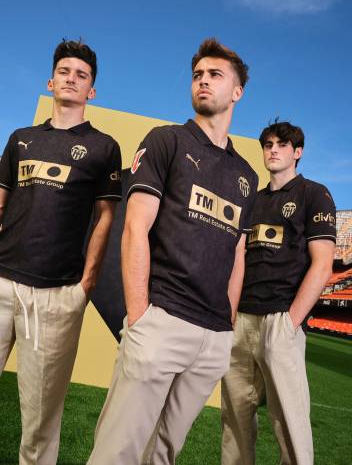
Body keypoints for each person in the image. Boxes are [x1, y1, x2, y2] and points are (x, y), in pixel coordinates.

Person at [87, 38, 258, 465]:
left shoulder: (247, 176)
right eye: (198, 75)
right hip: (161, 322)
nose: (203, 81)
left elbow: (238, 253)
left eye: (215, 75)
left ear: (237, 91)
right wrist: (139, 316)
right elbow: (135, 228)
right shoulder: (166, 141)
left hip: (213, 336)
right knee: (116, 452)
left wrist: (227, 322)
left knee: (163, 454)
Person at [0, 39, 122, 465]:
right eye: (64, 71)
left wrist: (86, 285)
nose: (71, 79)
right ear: (50, 82)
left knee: (41, 424)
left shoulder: (104, 147)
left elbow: (105, 218)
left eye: (81, 75)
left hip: (54, 296)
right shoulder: (21, 138)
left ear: (92, 91)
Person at [221, 121, 336, 465]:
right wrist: (231, 314)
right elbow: (238, 258)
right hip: (242, 319)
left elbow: (322, 264)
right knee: (235, 419)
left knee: (290, 422)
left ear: (297, 152)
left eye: (282, 145)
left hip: (281, 319)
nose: (273, 150)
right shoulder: (252, 200)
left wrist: (291, 322)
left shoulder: (314, 193)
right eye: (268, 144)